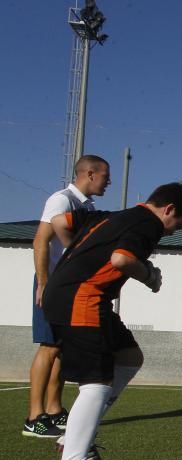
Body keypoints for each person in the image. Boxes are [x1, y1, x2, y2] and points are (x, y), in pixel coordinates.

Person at [43, 182, 182, 460]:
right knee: (96, 385)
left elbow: (60, 222)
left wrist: (77, 258)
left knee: (129, 357)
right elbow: (120, 258)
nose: (170, 233)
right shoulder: (148, 223)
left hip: (70, 294)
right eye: (177, 225)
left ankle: (78, 436)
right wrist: (149, 276)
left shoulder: (110, 216)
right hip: (82, 299)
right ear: (168, 209)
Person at [24, 155, 111, 439]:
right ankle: (33, 417)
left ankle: (53, 409)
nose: (108, 181)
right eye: (104, 176)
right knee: (48, 346)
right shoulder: (61, 200)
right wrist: (44, 283)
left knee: (60, 347)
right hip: (52, 285)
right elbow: (40, 240)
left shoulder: (86, 206)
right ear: (89, 174)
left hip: (68, 287)